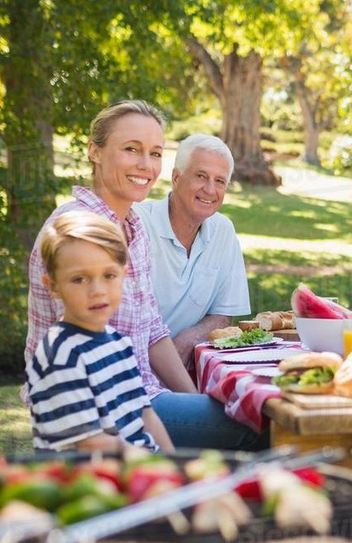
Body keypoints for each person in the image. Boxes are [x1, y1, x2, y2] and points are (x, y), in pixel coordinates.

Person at [24, 100, 264, 451]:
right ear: (95, 151)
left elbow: (152, 330)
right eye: (131, 150)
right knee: (261, 426)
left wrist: (193, 400)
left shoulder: (133, 226)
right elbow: (71, 368)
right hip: (98, 416)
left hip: (141, 396)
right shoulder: (80, 231)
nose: (145, 165)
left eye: (154, 153)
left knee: (245, 412)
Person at [27, 211, 174, 453]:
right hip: (92, 481)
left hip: (137, 471)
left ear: (123, 276)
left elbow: (146, 415)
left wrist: (174, 467)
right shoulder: (61, 356)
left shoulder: (118, 342)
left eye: (109, 276)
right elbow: (92, 446)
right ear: (52, 286)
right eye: (79, 279)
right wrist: (154, 467)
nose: (97, 290)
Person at [134, 134, 250, 367]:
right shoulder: (137, 225)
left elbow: (223, 315)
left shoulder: (223, 230)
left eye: (220, 181)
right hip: (135, 372)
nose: (210, 189)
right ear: (176, 177)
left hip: (185, 372)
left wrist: (190, 338)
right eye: (201, 176)